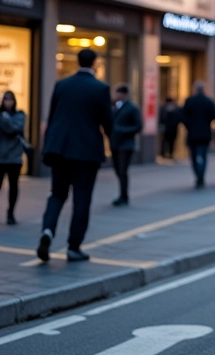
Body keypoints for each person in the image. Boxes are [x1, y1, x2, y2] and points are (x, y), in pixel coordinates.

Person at [37, 48, 113, 263]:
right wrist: (112, 143)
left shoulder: (62, 85)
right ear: (94, 64)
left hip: (60, 150)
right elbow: (107, 122)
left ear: (77, 62)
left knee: (57, 194)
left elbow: (53, 117)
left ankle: (47, 231)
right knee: (82, 199)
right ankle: (73, 247)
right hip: (86, 153)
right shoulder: (100, 88)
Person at [110, 84, 143, 206]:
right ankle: (122, 194)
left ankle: (124, 195)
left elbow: (138, 126)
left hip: (126, 144)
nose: (116, 95)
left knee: (123, 170)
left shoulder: (132, 108)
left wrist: (122, 130)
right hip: (115, 144)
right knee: (118, 170)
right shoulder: (114, 107)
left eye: (118, 93)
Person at [182, 81, 215, 188]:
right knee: (203, 156)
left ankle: (198, 175)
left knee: (193, 156)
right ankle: (201, 176)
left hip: (192, 133)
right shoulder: (208, 101)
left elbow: (182, 116)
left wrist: (188, 125)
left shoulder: (189, 101)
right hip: (205, 133)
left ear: (195, 89)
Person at [0, 91, 26, 225]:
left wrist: (5, 119)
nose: (8, 102)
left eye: (10, 100)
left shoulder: (19, 115)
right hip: (1, 157)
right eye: (5, 100)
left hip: (14, 158)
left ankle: (11, 213)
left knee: (13, 187)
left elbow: (14, 129)